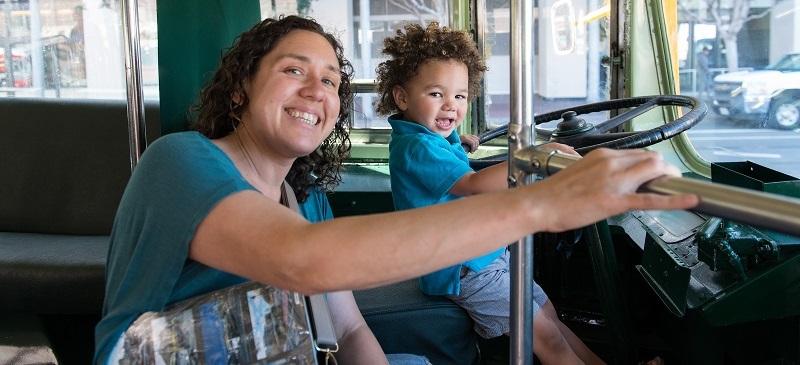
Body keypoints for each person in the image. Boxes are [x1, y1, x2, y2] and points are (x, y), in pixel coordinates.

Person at [94, 15, 698, 365]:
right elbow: (299, 260)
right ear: (239, 90)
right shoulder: (180, 161)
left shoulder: (305, 200)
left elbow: (348, 331)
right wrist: (541, 202)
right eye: (293, 70)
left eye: (331, 80)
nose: (317, 91)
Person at [377, 22, 604, 365]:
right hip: (465, 270)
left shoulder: (429, 136)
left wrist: (461, 142)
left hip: (485, 255)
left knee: (551, 318)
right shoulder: (417, 147)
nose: (450, 106)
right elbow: (473, 185)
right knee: (548, 340)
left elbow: (444, 155)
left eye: (460, 96)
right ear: (402, 97)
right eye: (436, 94)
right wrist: (536, 158)